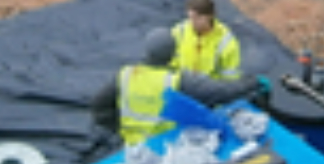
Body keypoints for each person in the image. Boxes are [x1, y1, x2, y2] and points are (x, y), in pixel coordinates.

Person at [91, 28, 266, 145]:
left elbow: (99, 106)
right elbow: (222, 92)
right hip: (169, 145)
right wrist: (253, 82)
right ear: (173, 54)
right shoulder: (177, 81)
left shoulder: (126, 74)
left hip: (132, 146)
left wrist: (118, 130)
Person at [171, 0, 241, 80]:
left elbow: (230, 77)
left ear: (210, 16)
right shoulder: (179, 32)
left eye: (197, 18)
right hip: (182, 85)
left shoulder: (227, 42)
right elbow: (169, 64)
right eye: (190, 17)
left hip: (211, 89)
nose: (192, 22)